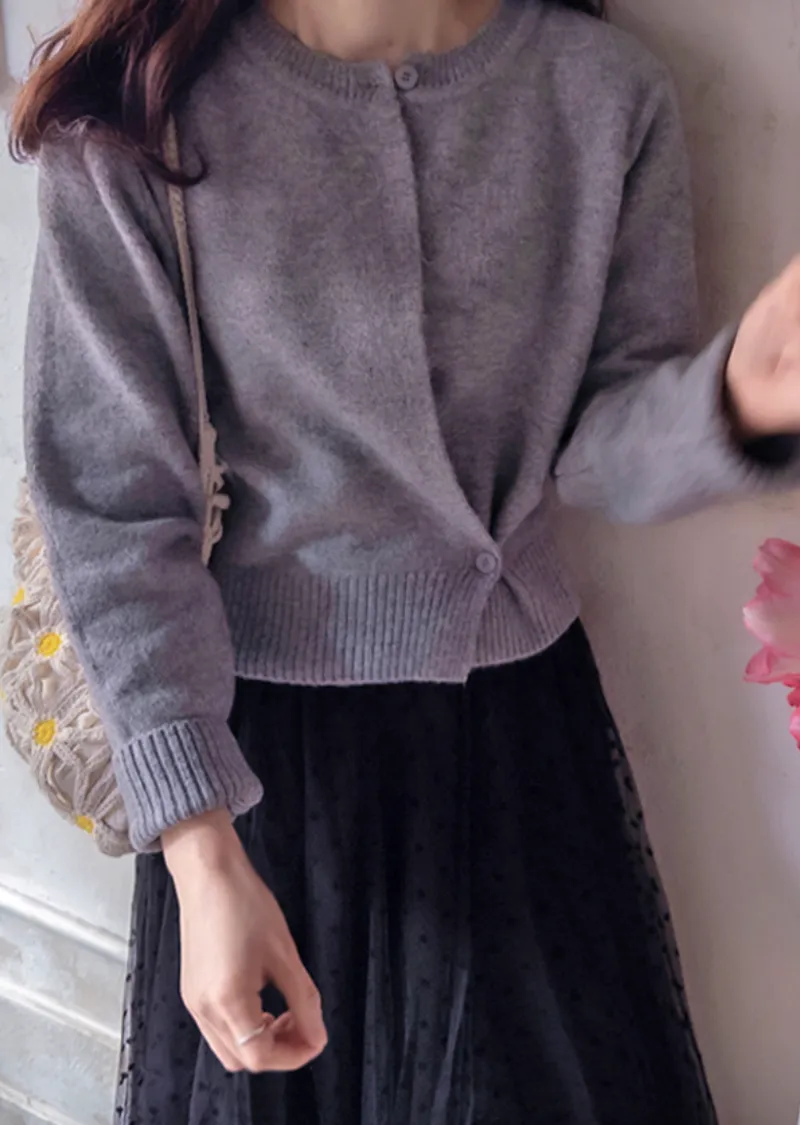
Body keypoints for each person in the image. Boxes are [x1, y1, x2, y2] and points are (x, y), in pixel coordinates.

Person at [10, 0, 800, 1121]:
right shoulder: (139, 114)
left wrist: (735, 400)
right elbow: (112, 506)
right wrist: (200, 852)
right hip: (263, 772)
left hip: (524, 740)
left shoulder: (600, 93)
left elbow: (596, 447)